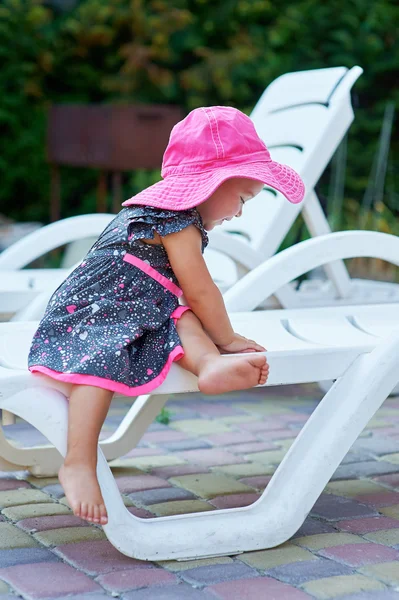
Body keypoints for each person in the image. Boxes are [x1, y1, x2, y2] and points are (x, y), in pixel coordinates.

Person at [28, 106, 305, 526]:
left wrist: (212, 339)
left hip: (146, 306)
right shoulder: (173, 219)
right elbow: (200, 286)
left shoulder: (184, 220)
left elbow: (182, 298)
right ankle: (79, 461)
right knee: (101, 361)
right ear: (214, 182)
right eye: (243, 198)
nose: (240, 212)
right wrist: (228, 337)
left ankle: (208, 365)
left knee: (181, 314)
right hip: (95, 312)